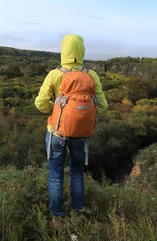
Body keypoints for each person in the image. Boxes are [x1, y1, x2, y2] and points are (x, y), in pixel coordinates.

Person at [34, 34, 108, 227]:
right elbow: (104, 106)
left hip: (56, 133)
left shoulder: (54, 74)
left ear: (64, 51)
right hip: (81, 135)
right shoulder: (91, 75)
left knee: (56, 175)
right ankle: (78, 216)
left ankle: (57, 219)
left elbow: (40, 103)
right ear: (81, 51)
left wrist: (57, 109)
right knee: (76, 175)